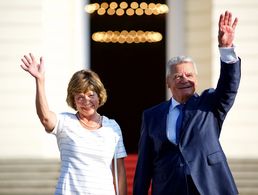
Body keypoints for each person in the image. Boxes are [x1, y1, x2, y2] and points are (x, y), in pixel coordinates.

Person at [133, 10, 240, 195]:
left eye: (189, 75)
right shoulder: (152, 116)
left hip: (208, 186)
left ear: (196, 80)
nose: (184, 79)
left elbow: (229, 85)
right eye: (177, 76)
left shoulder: (211, 103)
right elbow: (144, 165)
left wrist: (226, 49)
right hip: (169, 188)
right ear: (168, 82)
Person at [20, 56, 128, 195]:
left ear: (99, 96)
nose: (86, 101)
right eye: (80, 97)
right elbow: (46, 118)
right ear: (74, 100)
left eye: (91, 95)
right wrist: (40, 80)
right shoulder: (65, 122)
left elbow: (119, 172)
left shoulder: (112, 127)